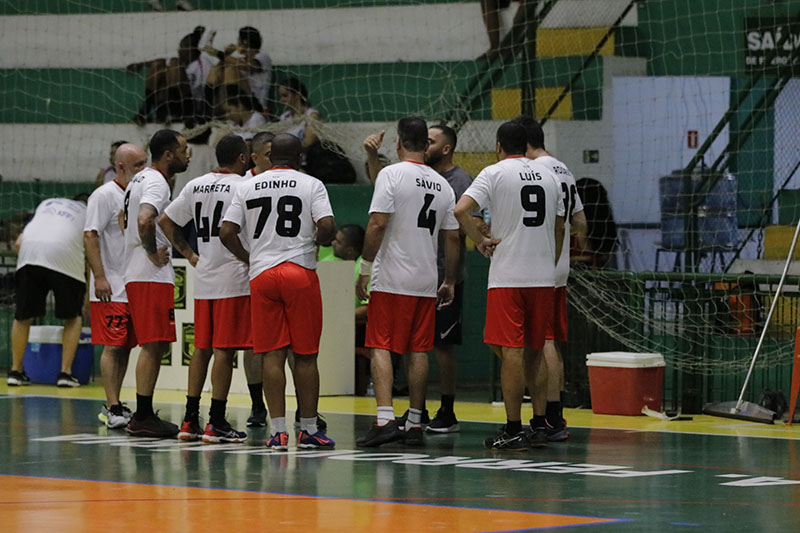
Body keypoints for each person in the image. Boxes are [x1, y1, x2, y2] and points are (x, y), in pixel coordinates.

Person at [220, 133, 336, 450]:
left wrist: (249, 258)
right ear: (298, 158)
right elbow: (327, 225)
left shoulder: (247, 186)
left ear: (270, 157)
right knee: (306, 356)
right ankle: (308, 430)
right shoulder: (311, 184)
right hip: (299, 271)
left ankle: (278, 432)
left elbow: (226, 232)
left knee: (272, 354)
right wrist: (317, 242)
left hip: (262, 275)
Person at [454, 121, 565, 450]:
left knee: (511, 352)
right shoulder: (550, 175)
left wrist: (480, 241)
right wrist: (550, 260)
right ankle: (540, 424)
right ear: (527, 145)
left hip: (509, 276)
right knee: (536, 351)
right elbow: (560, 226)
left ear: (499, 146)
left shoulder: (494, 172)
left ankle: (514, 428)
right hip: (543, 277)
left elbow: (461, 210)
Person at [355, 116, 460, 448]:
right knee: (419, 349)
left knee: (381, 345)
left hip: (392, 276)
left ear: (399, 142)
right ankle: (414, 422)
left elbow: (377, 224)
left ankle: (385, 419)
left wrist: (365, 267)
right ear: (426, 146)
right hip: (426, 278)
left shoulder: (392, 174)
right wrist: (450, 280)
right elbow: (453, 237)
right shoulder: (442, 184)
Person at [160, 135, 251, 443]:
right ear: (242, 158)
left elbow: (166, 220)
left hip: (205, 277)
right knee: (224, 350)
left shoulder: (196, 184)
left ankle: (189, 420)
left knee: (202, 349)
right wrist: (249, 258)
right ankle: (217, 421)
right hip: (233, 277)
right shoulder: (244, 186)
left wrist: (188, 254)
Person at [514, 115, 587, 442]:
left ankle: (548, 417)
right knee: (547, 340)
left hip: (540, 263)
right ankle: (553, 413)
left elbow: (555, 223)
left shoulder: (534, 171)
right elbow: (580, 222)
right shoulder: (562, 168)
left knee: (539, 342)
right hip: (558, 265)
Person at [123, 129, 190, 438]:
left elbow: (124, 219)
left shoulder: (138, 179)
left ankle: (144, 413)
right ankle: (143, 416)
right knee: (152, 345)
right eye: (184, 150)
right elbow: (143, 220)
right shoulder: (156, 182)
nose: (187, 156)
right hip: (148, 274)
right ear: (168, 155)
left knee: (156, 344)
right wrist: (151, 252)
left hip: (138, 272)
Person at [84, 143, 148, 428]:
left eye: (145, 163)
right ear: (120, 167)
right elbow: (90, 235)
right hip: (111, 284)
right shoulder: (104, 195)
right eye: (138, 165)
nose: (143, 169)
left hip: (132, 283)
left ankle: (117, 403)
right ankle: (111, 406)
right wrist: (99, 276)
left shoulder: (139, 194)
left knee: (125, 346)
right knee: (112, 345)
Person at [8, 195, 89, 388]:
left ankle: (15, 372)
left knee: (22, 316)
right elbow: (90, 247)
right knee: (73, 318)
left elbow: (18, 243)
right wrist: (86, 297)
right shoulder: (88, 212)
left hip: (30, 255)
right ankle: (65, 373)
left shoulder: (46, 204)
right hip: (65, 255)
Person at [204, 26, 272, 115]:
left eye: (238, 40)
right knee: (215, 71)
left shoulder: (263, 57)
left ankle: (235, 106)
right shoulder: (240, 60)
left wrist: (218, 53)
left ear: (245, 42)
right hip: (238, 99)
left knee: (231, 70)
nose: (237, 43)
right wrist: (227, 54)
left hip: (256, 103)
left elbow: (247, 66)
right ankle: (208, 112)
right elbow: (217, 71)